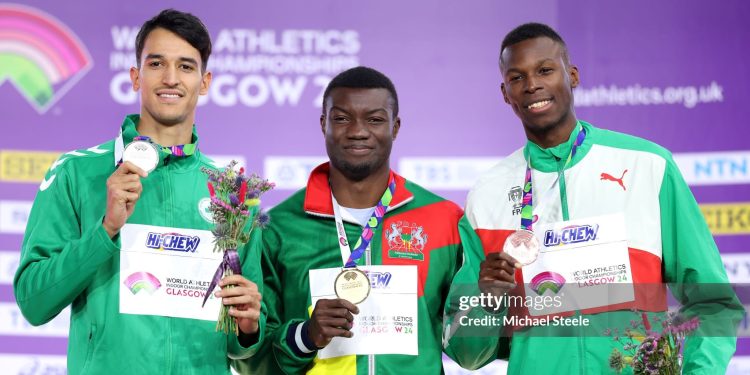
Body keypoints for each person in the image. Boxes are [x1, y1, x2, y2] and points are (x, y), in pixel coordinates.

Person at [463, 22, 743, 373]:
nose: (532, 84)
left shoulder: (647, 165)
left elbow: (713, 301)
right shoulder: (487, 194)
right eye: (517, 78)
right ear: (506, 93)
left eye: (545, 70)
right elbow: (468, 355)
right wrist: (488, 300)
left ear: (573, 75)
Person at [13, 9, 263, 374]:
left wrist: (248, 327)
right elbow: (34, 303)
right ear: (135, 76)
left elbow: (240, 345)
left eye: (186, 67)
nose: (171, 78)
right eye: (157, 63)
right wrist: (105, 231)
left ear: (205, 82)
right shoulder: (77, 172)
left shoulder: (233, 191)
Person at [238, 66, 490, 374]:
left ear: (395, 127)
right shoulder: (277, 228)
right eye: (342, 118)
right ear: (323, 124)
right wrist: (305, 336)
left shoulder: (444, 220)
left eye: (375, 119)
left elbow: (469, 353)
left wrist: (491, 300)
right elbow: (252, 360)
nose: (358, 130)